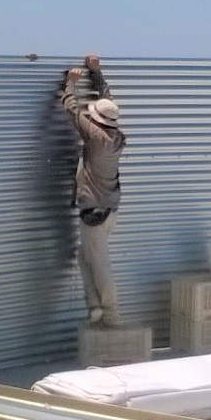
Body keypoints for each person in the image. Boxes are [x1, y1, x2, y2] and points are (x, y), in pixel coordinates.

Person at [59, 54, 125, 327]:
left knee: (98, 263)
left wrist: (70, 84)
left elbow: (71, 109)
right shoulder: (116, 135)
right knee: (84, 257)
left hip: (94, 213)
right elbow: (109, 101)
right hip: (108, 210)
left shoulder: (95, 137)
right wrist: (96, 72)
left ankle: (110, 312)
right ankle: (95, 306)